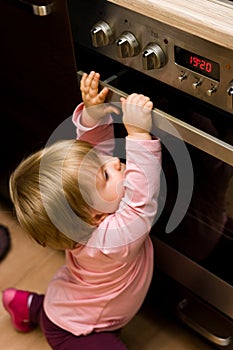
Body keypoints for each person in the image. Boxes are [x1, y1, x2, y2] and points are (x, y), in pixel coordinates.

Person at [2, 71, 162, 350]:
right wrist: (137, 135)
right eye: (107, 174)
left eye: (104, 161)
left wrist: (93, 116)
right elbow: (140, 201)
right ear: (95, 217)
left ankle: (25, 305)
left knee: (54, 312)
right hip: (79, 335)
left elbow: (90, 157)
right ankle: (31, 306)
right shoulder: (111, 242)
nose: (115, 161)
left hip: (67, 306)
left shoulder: (78, 222)